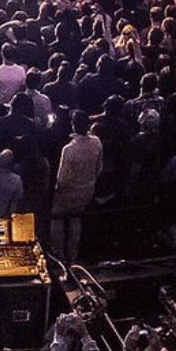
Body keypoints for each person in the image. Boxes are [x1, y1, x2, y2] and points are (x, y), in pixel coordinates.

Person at [50, 110, 103, 265]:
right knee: (76, 221)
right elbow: (99, 168)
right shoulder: (97, 142)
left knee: (57, 219)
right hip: (86, 190)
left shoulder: (69, 149)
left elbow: (62, 178)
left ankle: (59, 256)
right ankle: (72, 256)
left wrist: (56, 191)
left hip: (67, 193)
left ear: (73, 125)